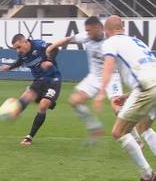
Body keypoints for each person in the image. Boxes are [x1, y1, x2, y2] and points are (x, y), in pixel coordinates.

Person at [46, 16, 143, 145]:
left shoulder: (110, 39)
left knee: (117, 108)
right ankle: (95, 128)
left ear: (98, 28)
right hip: (94, 77)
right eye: (86, 31)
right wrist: (50, 47)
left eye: (90, 31)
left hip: (111, 77)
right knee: (74, 101)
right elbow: (68, 40)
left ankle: (136, 139)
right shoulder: (87, 37)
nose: (88, 34)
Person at [94, 15, 156, 181]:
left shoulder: (111, 41)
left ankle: (147, 175)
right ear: (123, 28)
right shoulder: (138, 42)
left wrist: (101, 92)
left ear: (106, 31)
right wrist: (126, 96)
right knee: (144, 127)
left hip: (146, 87)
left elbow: (108, 65)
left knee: (118, 132)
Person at [0, 34, 61, 146]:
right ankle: (15, 111)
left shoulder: (39, 45)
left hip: (53, 79)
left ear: (25, 42)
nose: (18, 51)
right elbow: (19, 62)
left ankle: (29, 137)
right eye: (15, 49)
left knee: (43, 105)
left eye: (19, 47)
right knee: (25, 98)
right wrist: (9, 67)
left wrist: (49, 60)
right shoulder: (23, 55)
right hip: (39, 81)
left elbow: (54, 48)